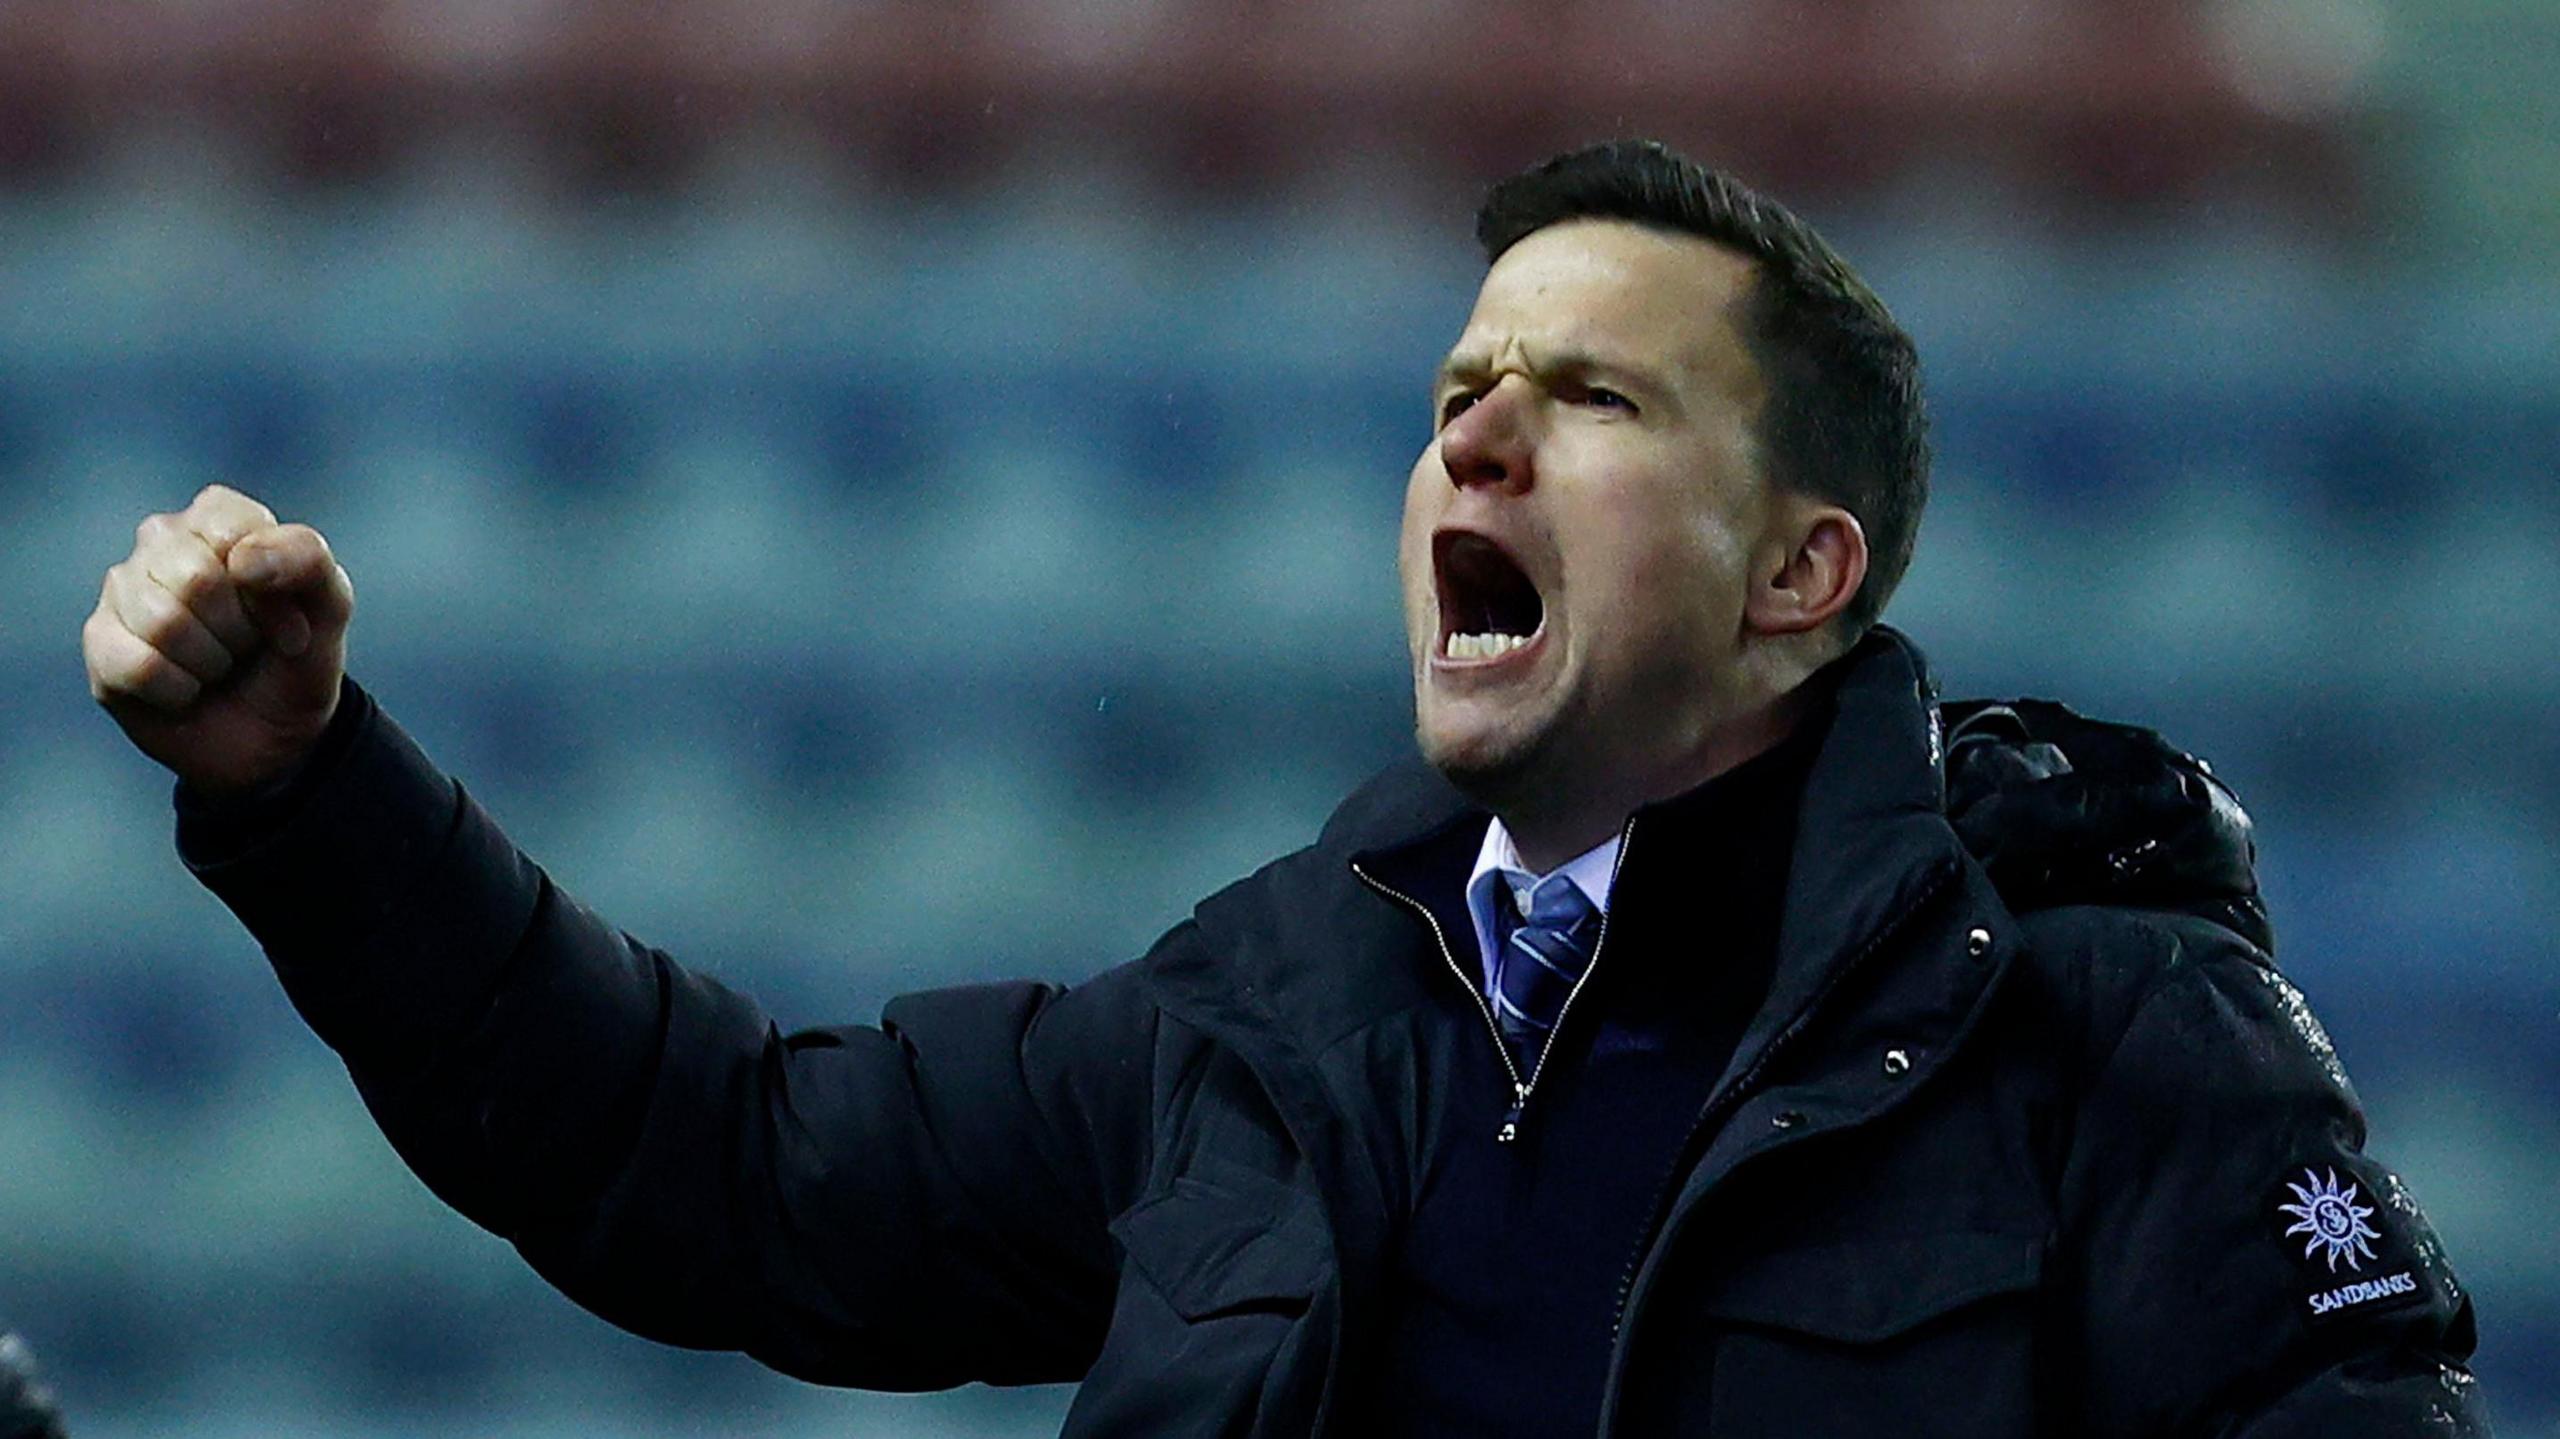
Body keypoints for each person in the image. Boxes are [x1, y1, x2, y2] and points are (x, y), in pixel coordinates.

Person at [82, 141, 2485, 1435]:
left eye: (1591, 395)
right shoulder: (1264, 1015)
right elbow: (702, 1165)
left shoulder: (2095, 1030)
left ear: (1798, 572)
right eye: (1456, 383)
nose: (1472, 425)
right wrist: (310, 791)